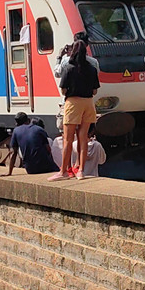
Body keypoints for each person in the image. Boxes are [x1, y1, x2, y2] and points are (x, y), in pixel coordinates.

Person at [52, 35, 100, 181]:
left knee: (68, 138)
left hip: (73, 103)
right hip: (89, 103)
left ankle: (63, 172)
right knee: (83, 138)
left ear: (72, 51)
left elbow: (63, 90)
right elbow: (94, 91)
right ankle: (81, 171)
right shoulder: (92, 68)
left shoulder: (69, 68)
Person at [5, 111, 56, 176]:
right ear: (29, 120)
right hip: (46, 167)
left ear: (16, 123)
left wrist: (9, 172)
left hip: (30, 169)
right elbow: (48, 149)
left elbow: (13, 153)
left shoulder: (16, 131)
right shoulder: (39, 129)